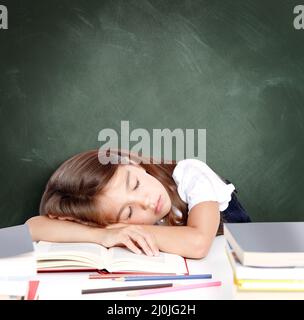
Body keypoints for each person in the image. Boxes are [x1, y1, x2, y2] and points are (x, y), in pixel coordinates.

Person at [26, 149, 251, 259]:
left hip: (240, 271)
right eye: (128, 212)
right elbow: (33, 227)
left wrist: (124, 228)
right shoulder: (108, 223)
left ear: (133, 163)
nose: (146, 202)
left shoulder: (190, 173)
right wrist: (102, 235)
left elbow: (198, 243)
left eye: (134, 184)